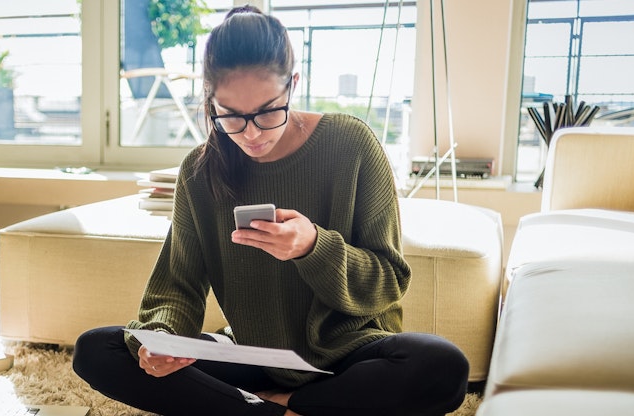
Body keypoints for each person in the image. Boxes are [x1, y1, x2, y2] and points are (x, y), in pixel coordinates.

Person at [73, 5, 468, 416]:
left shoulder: (351, 145)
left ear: (293, 84)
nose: (251, 133)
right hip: (252, 356)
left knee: (442, 366)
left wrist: (314, 247)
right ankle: (297, 409)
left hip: (350, 355)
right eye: (230, 116)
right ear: (211, 101)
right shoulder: (199, 171)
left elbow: (388, 282)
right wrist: (161, 342)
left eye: (266, 112)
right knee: (98, 350)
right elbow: (177, 287)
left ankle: (273, 406)